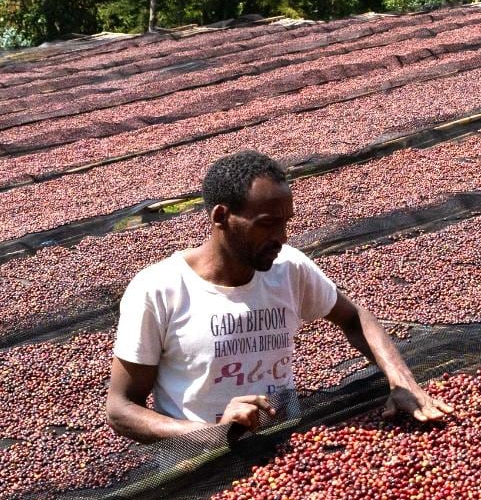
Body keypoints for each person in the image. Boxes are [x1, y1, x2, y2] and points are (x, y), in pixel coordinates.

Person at [106, 149, 451, 443]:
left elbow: (355, 318)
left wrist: (403, 383)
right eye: (267, 224)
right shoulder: (159, 289)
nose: (282, 237)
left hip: (285, 446)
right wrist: (213, 432)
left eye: (285, 223)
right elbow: (121, 410)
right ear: (221, 217)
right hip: (199, 467)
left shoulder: (288, 268)